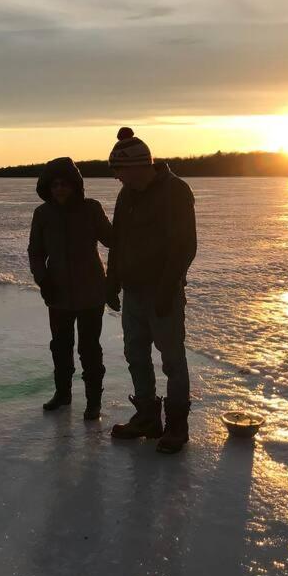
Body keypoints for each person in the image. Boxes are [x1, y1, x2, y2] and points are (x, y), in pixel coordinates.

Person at [105, 127, 197, 454]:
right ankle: (147, 417)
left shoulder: (176, 192)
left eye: (121, 171)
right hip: (133, 292)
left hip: (163, 292)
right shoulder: (126, 195)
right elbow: (118, 241)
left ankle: (177, 426)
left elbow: (184, 246)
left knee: (172, 359)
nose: (117, 178)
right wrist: (112, 280)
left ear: (140, 166)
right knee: (135, 354)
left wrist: (167, 288)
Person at [28, 157, 112, 420]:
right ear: (48, 188)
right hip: (58, 293)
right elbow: (36, 252)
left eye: (65, 184)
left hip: (91, 292)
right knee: (60, 346)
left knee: (89, 348)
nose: (60, 189)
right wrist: (44, 281)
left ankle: (93, 403)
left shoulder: (91, 209)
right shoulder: (42, 214)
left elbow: (113, 240)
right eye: (55, 185)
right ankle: (62, 394)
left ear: (75, 186)